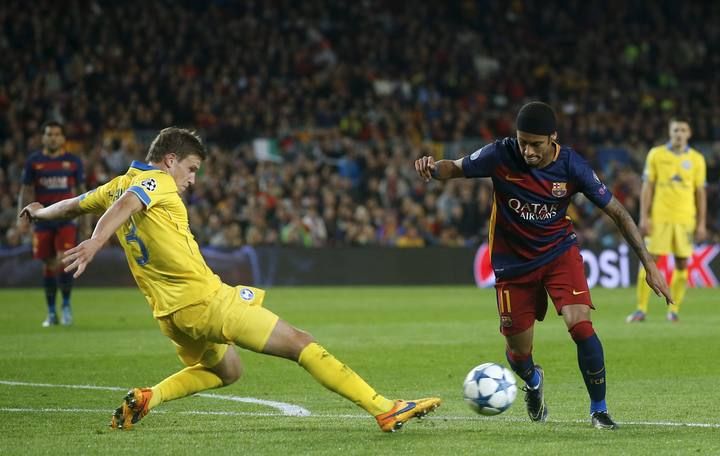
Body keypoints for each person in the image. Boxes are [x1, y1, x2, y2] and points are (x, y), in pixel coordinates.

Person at [20, 127, 440, 432]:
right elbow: (129, 204)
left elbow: (74, 204)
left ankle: (150, 397)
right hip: (205, 303)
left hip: (169, 315)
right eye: (191, 168)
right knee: (300, 342)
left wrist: (39, 212)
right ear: (170, 160)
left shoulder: (114, 185)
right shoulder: (154, 181)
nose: (192, 179)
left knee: (227, 370)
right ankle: (384, 408)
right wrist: (94, 243)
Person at [414, 102, 672, 430]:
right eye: (523, 142)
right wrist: (432, 168)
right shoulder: (500, 154)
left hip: (558, 254)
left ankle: (599, 410)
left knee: (581, 327)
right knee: (519, 354)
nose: (528, 151)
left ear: (553, 138)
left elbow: (619, 213)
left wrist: (649, 265)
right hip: (513, 265)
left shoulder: (572, 166)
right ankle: (533, 381)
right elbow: (455, 167)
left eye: (536, 144)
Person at [627, 117, 706, 323]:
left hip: (685, 219)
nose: (679, 133)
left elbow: (700, 193)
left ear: (689, 133)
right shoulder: (656, 154)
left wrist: (701, 223)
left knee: (682, 263)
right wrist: (644, 217)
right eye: (675, 130)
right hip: (659, 218)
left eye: (683, 130)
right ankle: (641, 309)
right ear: (670, 133)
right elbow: (647, 187)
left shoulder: (697, 159)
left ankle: (673, 310)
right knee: (649, 261)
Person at [17, 121, 86, 327]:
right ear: (44, 137)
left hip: (66, 219)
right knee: (48, 264)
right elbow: (26, 190)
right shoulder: (34, 162)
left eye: (57, 134)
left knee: (63, 262)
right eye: (49, 134)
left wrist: (86, 222)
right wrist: (22, 219)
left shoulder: (73, 161)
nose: (53, 138)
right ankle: (51, 312)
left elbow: (83, 193)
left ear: (63, 138)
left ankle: (65, 306)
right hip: (42, 220)